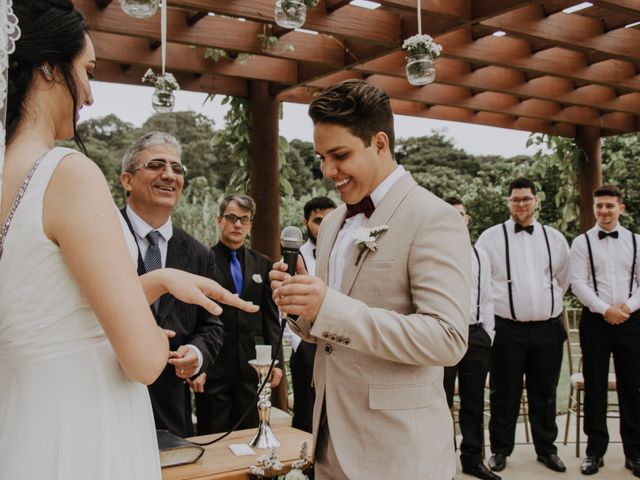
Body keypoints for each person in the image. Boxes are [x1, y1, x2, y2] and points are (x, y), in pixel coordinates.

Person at [0, 3, 257, 478]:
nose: (90, 96)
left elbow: (46, 306)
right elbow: (142, 360)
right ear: (48, 69)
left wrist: (156, 280)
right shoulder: (66, 172)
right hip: (85, 424)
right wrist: (149, 337)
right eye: (87, 71)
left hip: (23, 417)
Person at [270, 80, 470, 479]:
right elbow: (330, 334)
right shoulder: (330, 225)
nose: (328, 171)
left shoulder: (433, 217)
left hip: (398, 453)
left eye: (339, 155)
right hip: (329, 445)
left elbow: (448, 338)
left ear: (380, 143)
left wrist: (328, 306)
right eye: (321, 157)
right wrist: (302, 305)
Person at [119, 132, 225, 437]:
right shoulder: (103, 236)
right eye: (156, 165)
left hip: (172, 409)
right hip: (111, 395)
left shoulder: (198, 252)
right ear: (127, 180)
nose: (169, 174)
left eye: (177, 169)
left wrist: (197, 353)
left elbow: (212, 325)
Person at [476, 177, 570, 474]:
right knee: (504, 391)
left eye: (526, 199)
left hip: (547, 329)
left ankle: (547, 449)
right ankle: (501, 450)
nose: (521, 204)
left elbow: (562, 279)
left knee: (545, 391)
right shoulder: (489, 238)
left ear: (536, 200)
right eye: (515, 199)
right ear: (508, 202)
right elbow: (481, 283)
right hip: (506, 330)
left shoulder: (554, 238)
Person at [194, 193, 282, 434]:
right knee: (213, 434)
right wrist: (198, 365)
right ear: (219, 220)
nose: (237, 225)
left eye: (244, 219)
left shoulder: (262, 263)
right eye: (231, 218)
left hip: (252, 367)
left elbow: (270, 317)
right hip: (214, 365)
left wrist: (275, 361)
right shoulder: (202, 260)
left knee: (251, 434)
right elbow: (193, 314)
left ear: (250, 225)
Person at [569, 184, 640, 477]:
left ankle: (634, 454)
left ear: (621, 208)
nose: (604, 211)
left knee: (632, 388)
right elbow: (578, 283)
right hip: (596, 322)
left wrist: (627, 308)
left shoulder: (637, 242)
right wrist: (604, 309)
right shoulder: (581, 243)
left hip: (631, 321)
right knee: (595, 387)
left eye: (610, 205)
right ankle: (594, 452)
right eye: (599, 206)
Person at [442, 197, 499, 480]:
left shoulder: (480, 255)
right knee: (440, 401)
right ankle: (441, 462)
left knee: (474, 400)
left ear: (467, 219)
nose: (454, 219)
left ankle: (473, 459)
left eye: (459, 214)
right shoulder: (432, 251)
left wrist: (488, 332)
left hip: (476, 334)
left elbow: (488, 296)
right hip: (442, 335)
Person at [289, 196, 336, 433]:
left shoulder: (346, 253)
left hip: (338, 342)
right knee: (305, 413)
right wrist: (299, 345)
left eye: (330, 219)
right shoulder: (292, 256)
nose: (325, 226)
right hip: (305, 344)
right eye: (318, 220)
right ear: (305, 222)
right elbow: (283, 304)